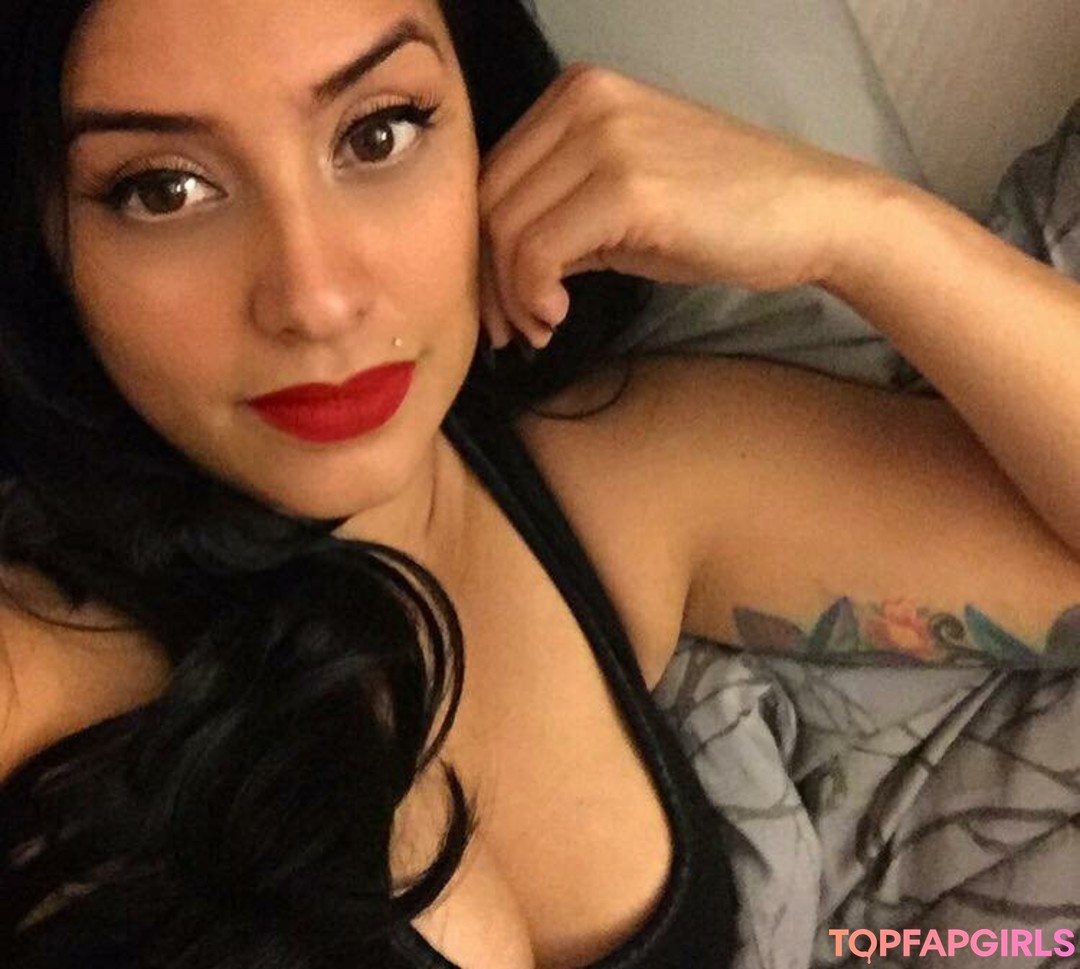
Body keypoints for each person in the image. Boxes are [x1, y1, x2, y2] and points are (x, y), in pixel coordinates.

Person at [0, 0, 1078, 967]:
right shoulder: (34, 654)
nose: (315, 296)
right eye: (164, 190)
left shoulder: (613, 480)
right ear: (44, 232)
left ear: (485, 125)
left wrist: (860, 227)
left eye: (379, 133)